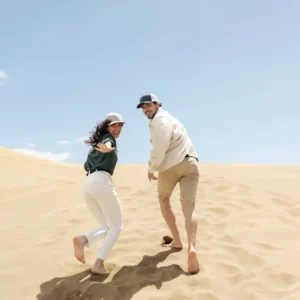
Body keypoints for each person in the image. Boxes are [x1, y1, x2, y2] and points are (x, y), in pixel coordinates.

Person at [136, 94, 200, 274]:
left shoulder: (161, 121)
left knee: (164, 200)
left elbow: (160, 147)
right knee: (189, 208)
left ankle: (178, 240)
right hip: (191, 162)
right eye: (142, 107)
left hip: (172, 165)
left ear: (157, 104)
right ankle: (192, 248)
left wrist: (151, 167)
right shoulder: (173, 119)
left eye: (148, 105)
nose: (145, 109)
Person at [72, 112, 125, 274]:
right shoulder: (108, 139)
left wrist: (104, 150)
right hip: (101, 181)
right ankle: (99, 263)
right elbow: (109, 146)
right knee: (117, 226)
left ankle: (84, 239)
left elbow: (86, 165)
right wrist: (109, 149)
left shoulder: (94, 147)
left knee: (107, 226)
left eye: (120, 125)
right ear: (106, 126)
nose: (117, 128)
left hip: (87, 184)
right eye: (113, 125)